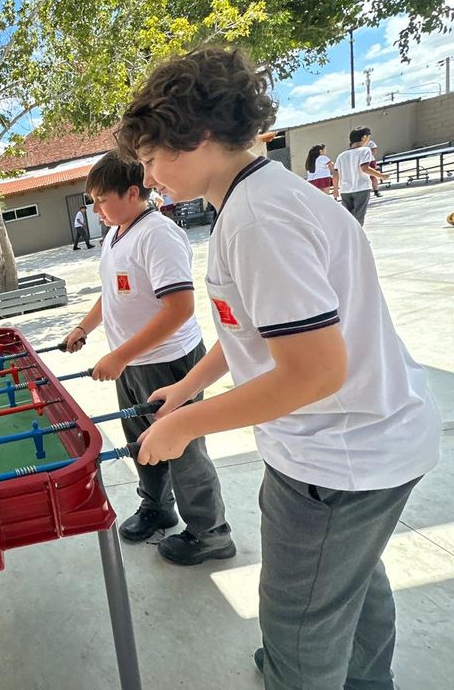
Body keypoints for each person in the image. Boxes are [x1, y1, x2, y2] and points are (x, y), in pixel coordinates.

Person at [115, 47, 440, 690]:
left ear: (198, 136)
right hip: (367, 441)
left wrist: (188, 425)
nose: (149, 179)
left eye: (151, 161)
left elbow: (314, 372)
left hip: (339, 455)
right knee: (351, 580)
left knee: (299, 623)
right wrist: (186, 388)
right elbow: (261, 333)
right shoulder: (256, 199)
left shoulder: (258, 217)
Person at [63, 152, 233, 565]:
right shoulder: (116, 233)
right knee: (141, 441)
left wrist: (119, 356)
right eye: (93, 201)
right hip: (133, 364)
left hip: (169, 363)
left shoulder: (157, 234)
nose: (96, 209)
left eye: (102, 199)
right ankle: (157, 507)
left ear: (132, 192)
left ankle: (211, 532)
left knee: (182, 447)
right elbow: (112, 293)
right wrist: (85, 328)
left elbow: (179, 308)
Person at [333, 126, 389, 225]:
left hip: (345, 190)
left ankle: (348, 236)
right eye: (368, 137)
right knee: (358, 216)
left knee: (348, 217)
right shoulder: (365, 150)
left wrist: (336, 189)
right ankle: (357, 238)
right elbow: (365, 168)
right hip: (361, 188)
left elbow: (336, 174)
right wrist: (382, 176)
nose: (368, 140)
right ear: (364, 137)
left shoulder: (341, 155)